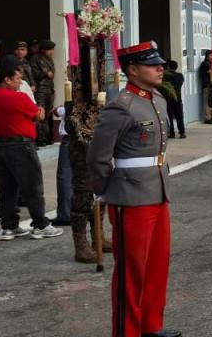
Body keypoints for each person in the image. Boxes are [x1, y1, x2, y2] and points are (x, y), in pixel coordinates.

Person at [87, 42, 179, 337]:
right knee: (132, 271)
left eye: (159, 63)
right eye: (152, 64)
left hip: (157, 190)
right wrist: (105, 190)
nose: (160, 68)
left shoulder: (158, 99)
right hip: (130, 196)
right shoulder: (121, 106)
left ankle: (151, 325)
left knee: (156, 265)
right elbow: (99, 156)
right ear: (133, 70)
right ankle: (127, 331)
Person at [0, 56, 62, 240]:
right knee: (32, 186)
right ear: (6, 79)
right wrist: (39, 109)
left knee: (6, 188)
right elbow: (38, 114)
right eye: (17, 79)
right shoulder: (18, 97)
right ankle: (40, 224)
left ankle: (9, 226)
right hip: (21, 146)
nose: (20, 82)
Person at [30, 40, 56, 148]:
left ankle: (46, 137)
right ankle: (40, 139)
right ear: (43, 50)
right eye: (49, 50)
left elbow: (53, 72)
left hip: (49, 88)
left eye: (52, 50)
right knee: (40, 113)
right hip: (41, 89)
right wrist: (45, 73)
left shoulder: (49, 59)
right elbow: (34, 73)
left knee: (47, 114)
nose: (51, 52)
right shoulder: (35, 59)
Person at [53, 104, 72, 227]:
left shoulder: (72, 103)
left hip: (70, 139)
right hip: (91, 139)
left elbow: (56, 111)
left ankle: (65, 214)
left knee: (65, 176)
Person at [163, 60, 186, 139]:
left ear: (168, 67)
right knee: (179, 116)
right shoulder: (180, 76)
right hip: (177, 98)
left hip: (168, 98)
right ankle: (182, 132)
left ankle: (171, 132)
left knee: (169, 116)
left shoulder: (165, 76)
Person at [198, 50, 212, 123]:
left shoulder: (210, 63)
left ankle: (211, 116)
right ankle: (207, 118)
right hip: (207, 85)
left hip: (210, 85)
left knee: (211, 101)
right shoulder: (205, 64)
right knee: (207, 102)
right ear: (208, 56)